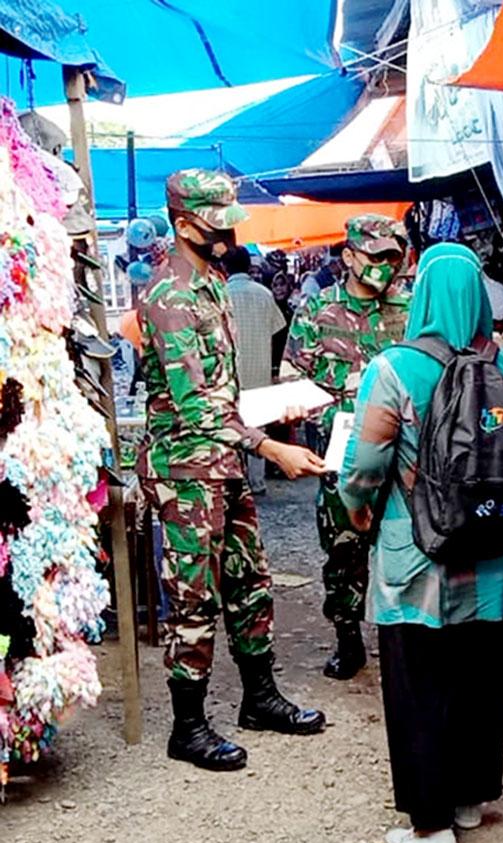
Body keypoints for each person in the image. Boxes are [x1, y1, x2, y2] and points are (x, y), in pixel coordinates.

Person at [338, 243, 503, 843]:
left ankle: (431, 826)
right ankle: (470, 798)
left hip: (418, 557)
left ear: (421, 294)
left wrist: (356, 506)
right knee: (479, 676)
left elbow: (364, 465)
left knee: (419, 682)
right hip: (495, 555)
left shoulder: (393, 369)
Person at [138, 170, 326, 772]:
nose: (226, 234)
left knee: (249, 581)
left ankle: (259, 698)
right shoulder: (169, 296)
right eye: (215, 223)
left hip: (223, 460)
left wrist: (277, 411)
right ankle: (187, 727)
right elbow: (195, 406)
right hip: (185, 471)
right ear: (183, 223)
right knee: (194, 596)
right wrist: (271, 449)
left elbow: (222, 393)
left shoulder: (213, 282)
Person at [284, 214, 410, 680]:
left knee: (405, 543)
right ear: (350, 256)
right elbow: (293, 378)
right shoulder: (318, 311)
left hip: (404, 454)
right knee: (343, 550)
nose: (385, 266)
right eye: (376, 256)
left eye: (392, 258)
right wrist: (323, 417)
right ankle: (348, 636)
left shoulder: (410, 307)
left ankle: (403, 637)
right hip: (342, 454)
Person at [223, 245, 287, 496]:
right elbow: (277, 330)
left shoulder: (221, 294)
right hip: (260, 370)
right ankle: (257, 482)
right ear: (249, 266)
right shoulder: (264, 294)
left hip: (229, 373)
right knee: (258, 429)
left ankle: (236, 480)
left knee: (231, 427)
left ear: (224, 267)